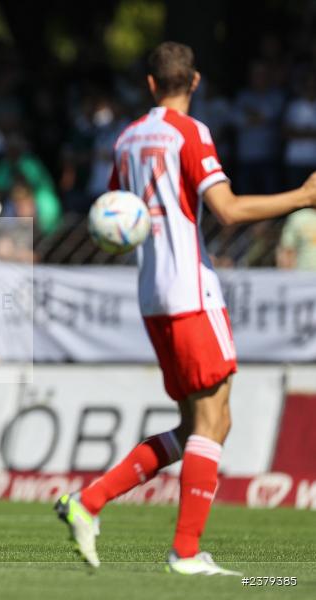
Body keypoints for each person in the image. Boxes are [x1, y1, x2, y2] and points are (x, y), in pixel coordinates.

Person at [55, 42, 316, 576]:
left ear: (150, 84)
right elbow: (229, 210)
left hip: (153, 295)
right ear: (193, 82)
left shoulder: (127, 139)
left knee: (200, 423)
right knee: (214, 418)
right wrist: (303, 197)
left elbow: (114, 216)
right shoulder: (189, 133)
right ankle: (187, 552)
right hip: (191, 293)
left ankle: (91, 501)